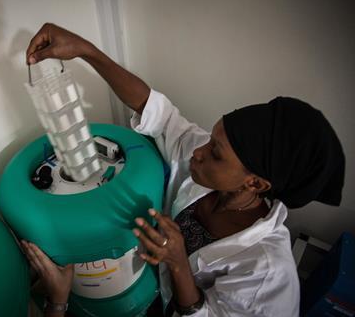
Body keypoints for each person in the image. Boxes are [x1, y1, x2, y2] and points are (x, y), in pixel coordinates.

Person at [22, 23, 345, 317]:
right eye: (212, 138)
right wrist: (86, 50)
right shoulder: (208, 168)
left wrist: (177, 263)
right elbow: (157, 113)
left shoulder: (267, 273)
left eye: (215, 153)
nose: (199, 152)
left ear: (256, 183)